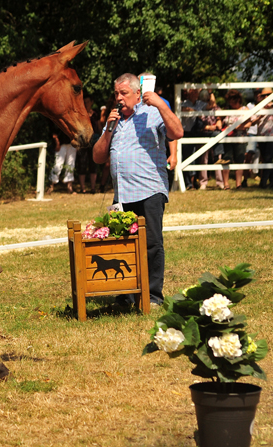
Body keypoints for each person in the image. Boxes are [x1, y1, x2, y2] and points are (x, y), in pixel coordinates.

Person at [93, 73, 183, 307]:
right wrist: (108, 129)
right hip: (122, 194)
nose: (119, 98)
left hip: (149, 190)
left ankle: (153, 296)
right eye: (116, 94)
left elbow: (177, 132)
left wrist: (161, 105)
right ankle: (126, 295)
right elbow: (98, 156)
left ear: (136, 94)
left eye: (123, 93)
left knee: (151, 244)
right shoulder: (113, 122)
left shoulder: (153, 112)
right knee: (122, 244)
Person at [221, 90, 251, 189]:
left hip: (240, 138)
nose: (231, 103)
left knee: (240, 159)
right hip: (228, 137)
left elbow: (249, 123)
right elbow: (221, 121)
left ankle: (238, 184)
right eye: (229, 101)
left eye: (232, 101)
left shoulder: (245, 109)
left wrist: (240, 127)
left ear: (238, 100)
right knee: (226, 159)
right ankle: (226, 184)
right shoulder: (227, 109)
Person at [180, 89, 208, 189]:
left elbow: (212, 105)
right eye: (192, 92)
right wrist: (197, 112)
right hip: (186, 133)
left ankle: (194, 182)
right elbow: (184, 109)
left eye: (196, 92)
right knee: (187, 158)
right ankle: (188, 183)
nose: (194, 94)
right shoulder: (184, 103)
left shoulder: (201, 103)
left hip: (197, 132)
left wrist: (210, 92)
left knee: (197, 158)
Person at [76, 96, 100, 193]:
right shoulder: (80, 114)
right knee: (82, 164)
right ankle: (83, 188)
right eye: (84, 102)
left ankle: (93, 188)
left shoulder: (95, 114)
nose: (86, 104)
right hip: (83, 142)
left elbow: (99, 127)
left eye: (87, 101)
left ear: (92, 102)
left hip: (94, 141)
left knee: (93, 165)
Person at [46, 127, 77, 194]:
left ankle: (69, 186)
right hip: (61, 143)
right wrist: (57, 142)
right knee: (58, 164)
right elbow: (54, 132)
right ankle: (51, 185)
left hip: (71, 143)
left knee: (71, 164)